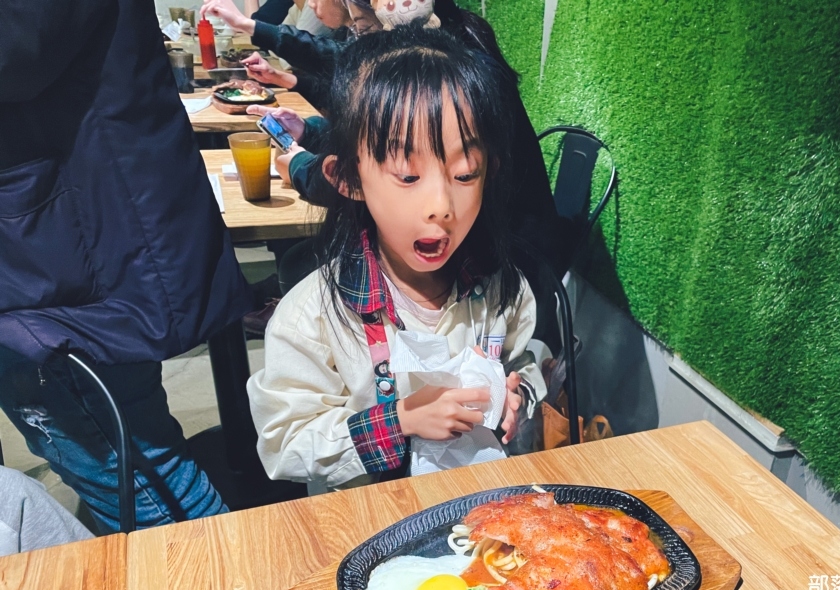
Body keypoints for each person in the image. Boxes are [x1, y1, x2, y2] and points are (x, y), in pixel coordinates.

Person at [247, 27, 546, 488]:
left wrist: (517, 393)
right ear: (347, 178)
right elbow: (284, 443)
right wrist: (400, 420)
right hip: (371, 524)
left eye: (465, 174)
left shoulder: (501, 289)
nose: (442, 205)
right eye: (408, 176)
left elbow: (525, 358)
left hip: (478, 512)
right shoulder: (313, 316)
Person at [0, 0, 252, 532]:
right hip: (69, 232)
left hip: (57, 249)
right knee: (134, 458)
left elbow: (17, 48)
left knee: (136, 472)